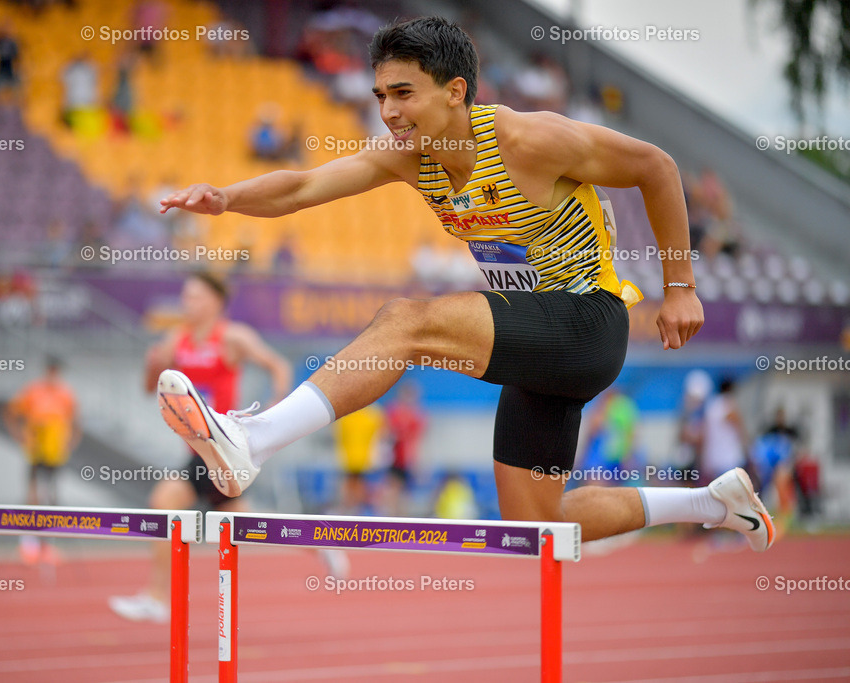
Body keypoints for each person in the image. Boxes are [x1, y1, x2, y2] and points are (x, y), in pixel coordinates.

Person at [155, 17, 774, 552]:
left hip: (587, 322)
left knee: (405, 321)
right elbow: (301, 187)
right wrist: (225, 197)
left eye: (404, 93)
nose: (390, 112)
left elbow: (656, 167)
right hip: (538, 347)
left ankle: (255, 441)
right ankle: (711, 505)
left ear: (456, 91)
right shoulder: (409, 157)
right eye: (379, 96)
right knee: (539, 526)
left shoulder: (527, 140)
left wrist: (681, 285)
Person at [110, 272, 319, 622]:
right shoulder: (176, 340)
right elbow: (150, 389)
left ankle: (157, 597)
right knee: (253, 526)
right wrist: (151, 368)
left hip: (224, 452)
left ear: (215, 302)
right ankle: (316, 545)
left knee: (166, 505)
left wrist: (273, 410)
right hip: (198, 454)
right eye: (185, 296)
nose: (187, 302)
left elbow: (278, 366)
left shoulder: (232, 337)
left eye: (195, 296)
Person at [5, 358, 79, 563]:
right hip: (35, 451)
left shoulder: (66, 393)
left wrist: (69, 443)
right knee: (33, 496)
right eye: (51, 370)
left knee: (53, 497)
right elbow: (11, 413)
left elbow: (76, 421)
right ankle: (29, 544)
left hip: (55, 452)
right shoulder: (33, 390)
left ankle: (49, 545)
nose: (53, 374)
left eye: (56, 370)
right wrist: (19, 436)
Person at [382, 381, 426, 515]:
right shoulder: (393, 412)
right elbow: (386, 434)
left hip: (408, 459)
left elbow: (417, 441)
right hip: (395, 457)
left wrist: (418, 463)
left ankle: (401, 518)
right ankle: (390, 517)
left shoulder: (417, 416)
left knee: (405, 494)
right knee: (392, 490)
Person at [333, 404, 385, 514]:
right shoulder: (372, 414)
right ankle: (352, 511)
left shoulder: (347, 415)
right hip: (361, 460)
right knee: (356, 488)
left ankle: (354, 510)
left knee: (357, 488)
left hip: (357, 460)